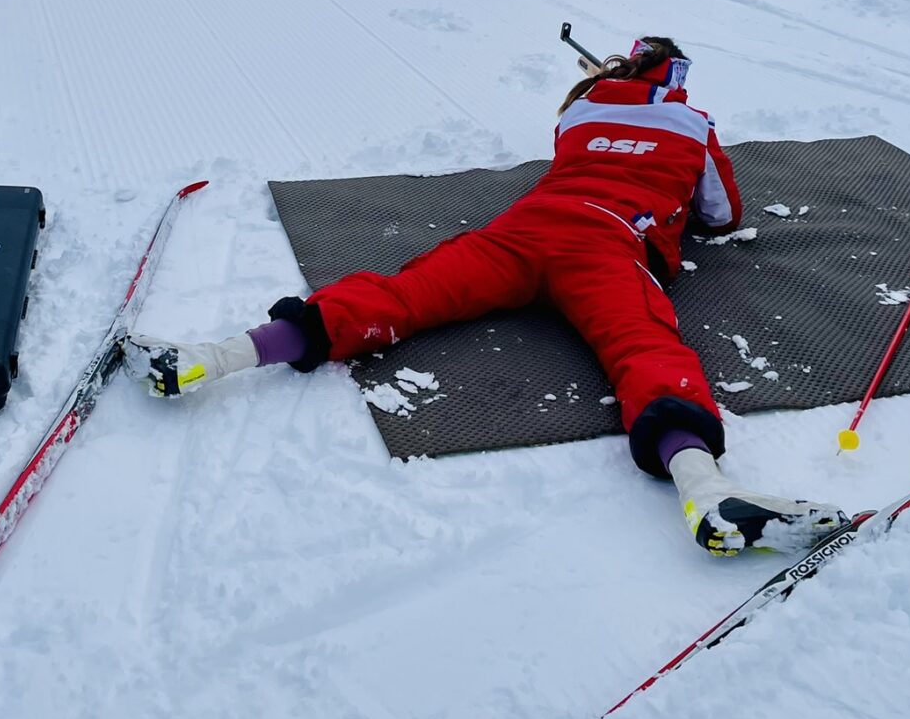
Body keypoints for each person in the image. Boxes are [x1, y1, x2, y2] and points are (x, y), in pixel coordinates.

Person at [134, 37, 848, 558]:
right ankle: (705, 490)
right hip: (604, 244)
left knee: (402, 297)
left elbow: (581, 144)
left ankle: (214, 356)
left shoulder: (581, 112)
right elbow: (722, 215)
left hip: (521, 232)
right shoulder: (692, 125)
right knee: (643, 348)